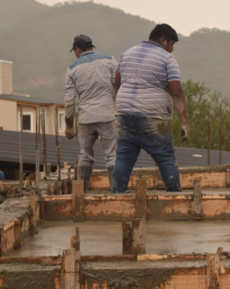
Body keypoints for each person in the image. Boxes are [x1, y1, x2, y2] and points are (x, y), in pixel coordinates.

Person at [111, 24, 190, 193]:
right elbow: (176, 93)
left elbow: (116, 84)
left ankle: (115, 199)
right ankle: (175, 200)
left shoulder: (127, 54)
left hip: (124, 116)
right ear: (163, 40)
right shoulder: (167, 59)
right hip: (153, 118)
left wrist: (119, 109)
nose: (172, 49)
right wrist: (185, 124)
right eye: (171, 44)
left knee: (123, 160)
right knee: (166, 157)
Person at [64, 34, 118, 192]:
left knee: (85, 155)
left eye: (74, 50)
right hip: (107, 115)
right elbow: (119, 85)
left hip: (86, 118)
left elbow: (69, 101)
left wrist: (69, 125)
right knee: (111, 155)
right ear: (91, 47)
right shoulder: (110, 60)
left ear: (78, 50)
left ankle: (82, 191)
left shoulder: (72, 69)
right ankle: (116, 191)